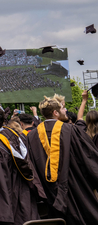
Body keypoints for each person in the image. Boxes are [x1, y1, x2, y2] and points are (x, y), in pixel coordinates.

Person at [25, 94, 98, 223]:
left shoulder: (32, 136)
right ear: (55, 113)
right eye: (63, 108)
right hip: (76, 186)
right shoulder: (71, 130)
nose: (66, 111)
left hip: (48, 192)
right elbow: (88, 158)